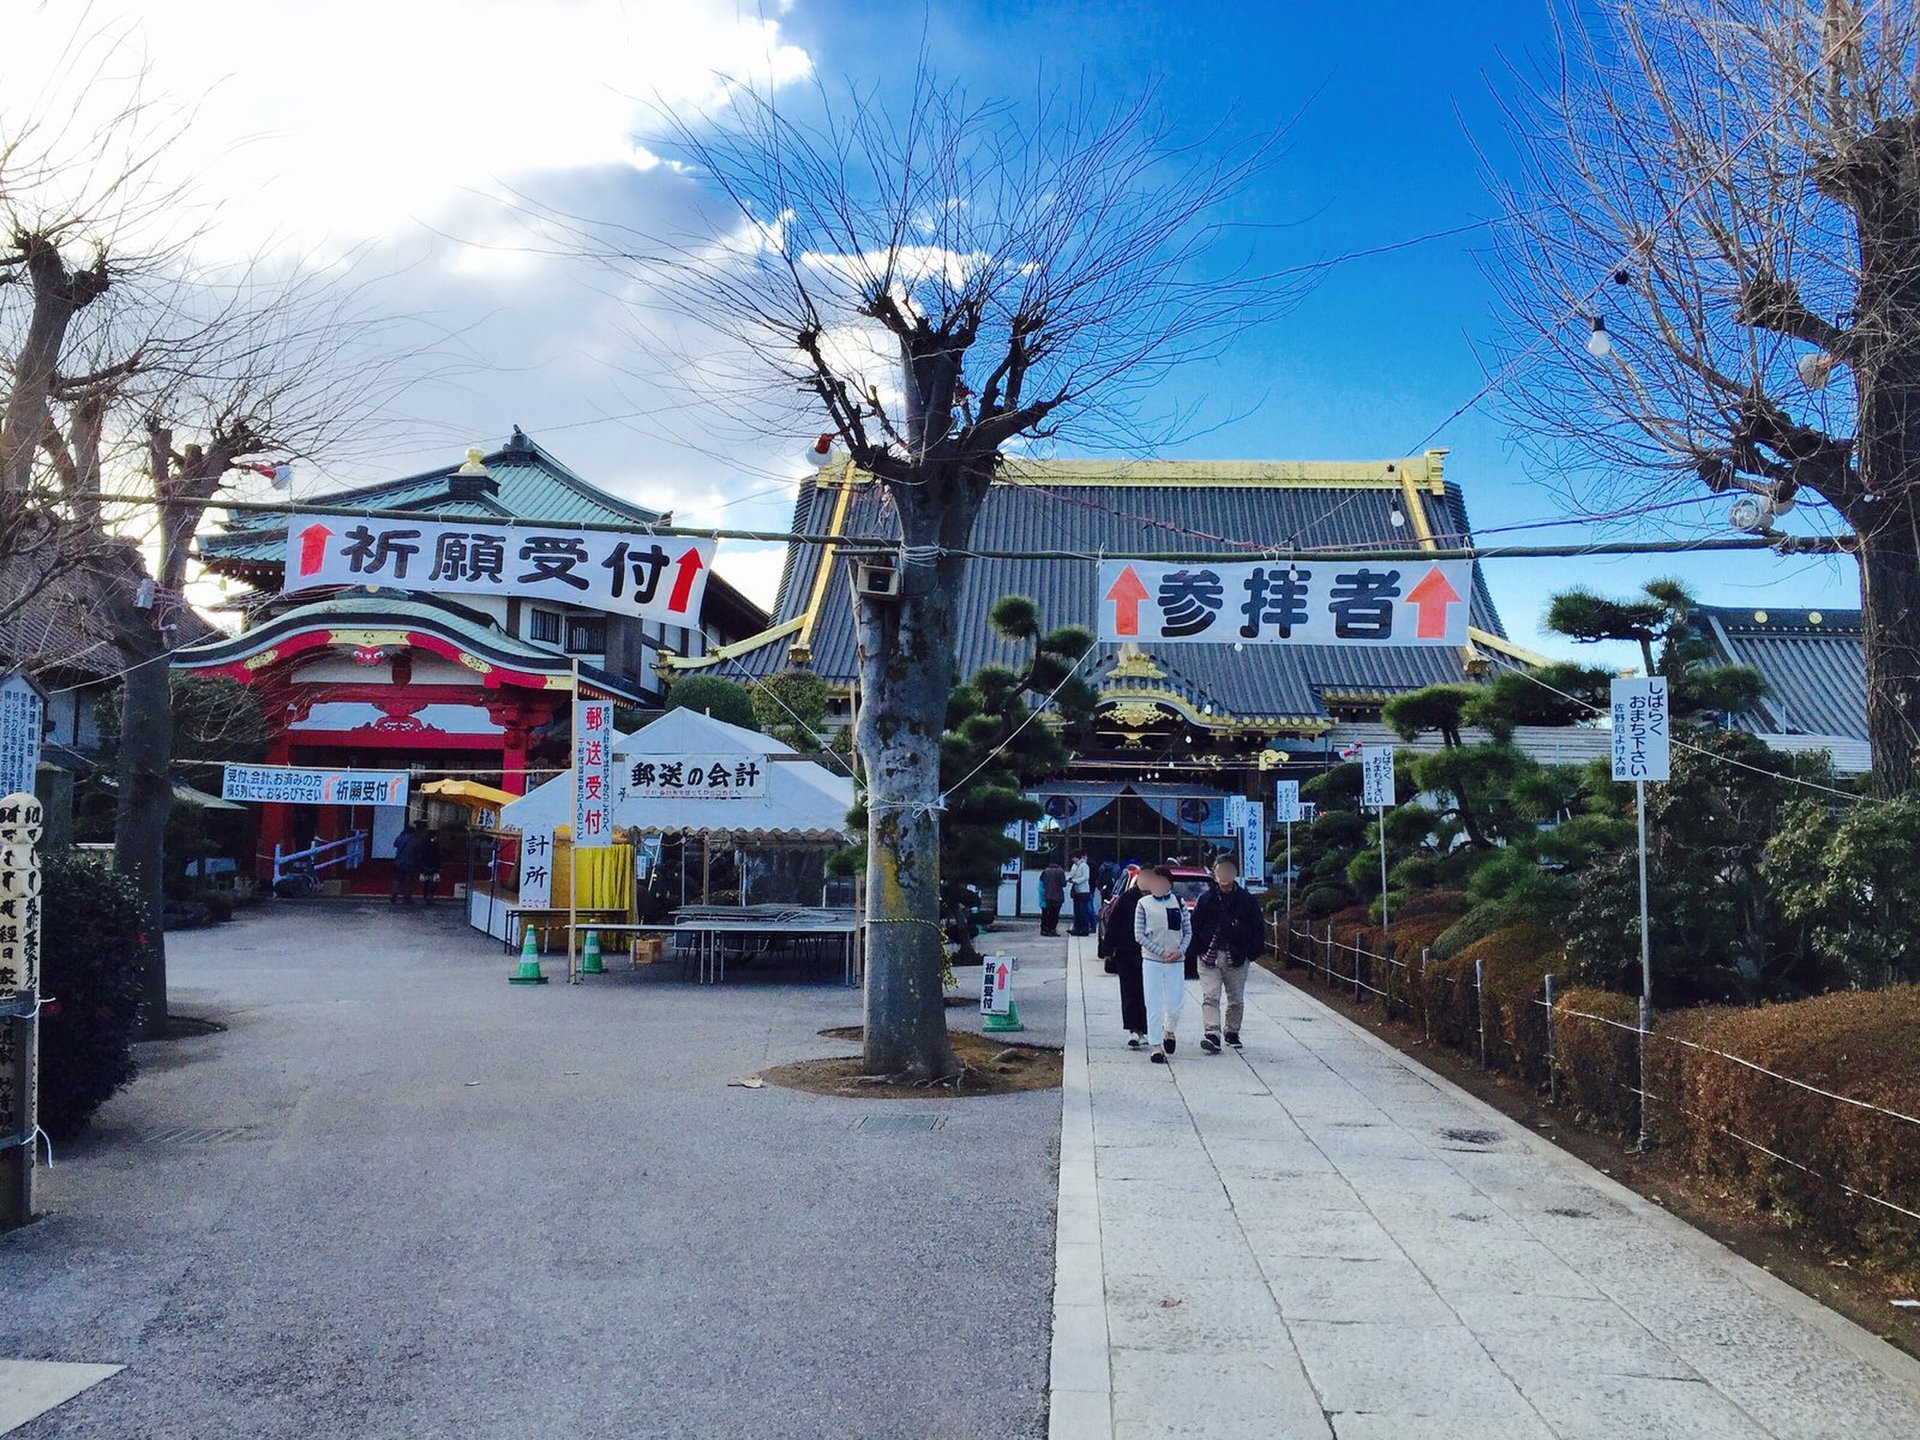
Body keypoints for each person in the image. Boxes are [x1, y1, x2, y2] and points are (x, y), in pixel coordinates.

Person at [1192, 855, 1264, 1053]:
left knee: (1236, 998)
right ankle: (1212, 1033)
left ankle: (1232, 1031)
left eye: (1228, 870)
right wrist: (1198, 948)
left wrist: (1251, 953)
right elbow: (1195, 926)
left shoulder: (1247, 900)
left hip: (1237, 955)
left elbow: (1258, 928)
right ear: (1214, 874)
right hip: (1209, 955)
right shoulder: (1206, 899)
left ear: (1235, 873)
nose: (1223, 874)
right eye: (1220, 870)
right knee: (1210, 995)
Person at [1134, 865, 1191, 1064]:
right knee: (1153, 1002)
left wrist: (1180, 950)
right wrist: (1160, 952)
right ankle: (1156, 1045)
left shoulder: (1179, 903)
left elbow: (1187, 931)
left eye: (1162, 882)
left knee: (1175, 1004)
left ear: (1169, 884)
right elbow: (1139, 935)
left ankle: (1169, 1030)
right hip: (1152, 960)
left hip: (1176, 960)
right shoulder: (1143, 904)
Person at [1097, 866, 1149, 1048]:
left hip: (1152, 956)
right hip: (1127, 953)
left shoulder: (1158, 899)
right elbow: (1114, 925)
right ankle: (1134, 1029)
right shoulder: (1127, 899)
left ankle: (1148, 1028)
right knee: (1129, 992)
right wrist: (1108, 950)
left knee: (1149, 994)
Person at [390, 821, 423, 905]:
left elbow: (395, 844)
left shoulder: (400, 838)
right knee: (409, 881)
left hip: (399, 862)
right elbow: (418, 854)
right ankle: (407, 897)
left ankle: (394, 894)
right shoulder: (416, 841)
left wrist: (401, 835)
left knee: (397, 879)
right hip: (411, 863)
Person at [1038, 857, 1068, 937]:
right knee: (1055, 914)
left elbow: (1042, 882)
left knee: (1047, 913)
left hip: (1047, 895)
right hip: (1057, 896)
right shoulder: (1060, 871)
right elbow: (1064, 884)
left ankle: (1045, 929)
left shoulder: (1045, 871)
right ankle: (1052, 929)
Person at [1066, 851, 1093, 935]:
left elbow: (1086, 877)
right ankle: (1076, 928)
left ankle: (1084, 929)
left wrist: (1076, 881)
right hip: (1076, 891)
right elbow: (1071, 874)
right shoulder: (1074, 866)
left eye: (1073, 857)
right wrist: (1069, 878)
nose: (1072, 859)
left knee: (1083, 911)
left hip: (1083, 891)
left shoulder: (1084, 866)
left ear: (1077, 857)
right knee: (1076, 911)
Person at [418, 830, 444, 905]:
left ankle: (426, 896)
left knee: (426, 883)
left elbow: (420, 856)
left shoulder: (423, 845)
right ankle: (430, 895)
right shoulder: (436, 845)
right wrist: (439, 867)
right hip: (434, 867)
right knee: (433, 883)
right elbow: (438, 857)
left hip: (425, 867)